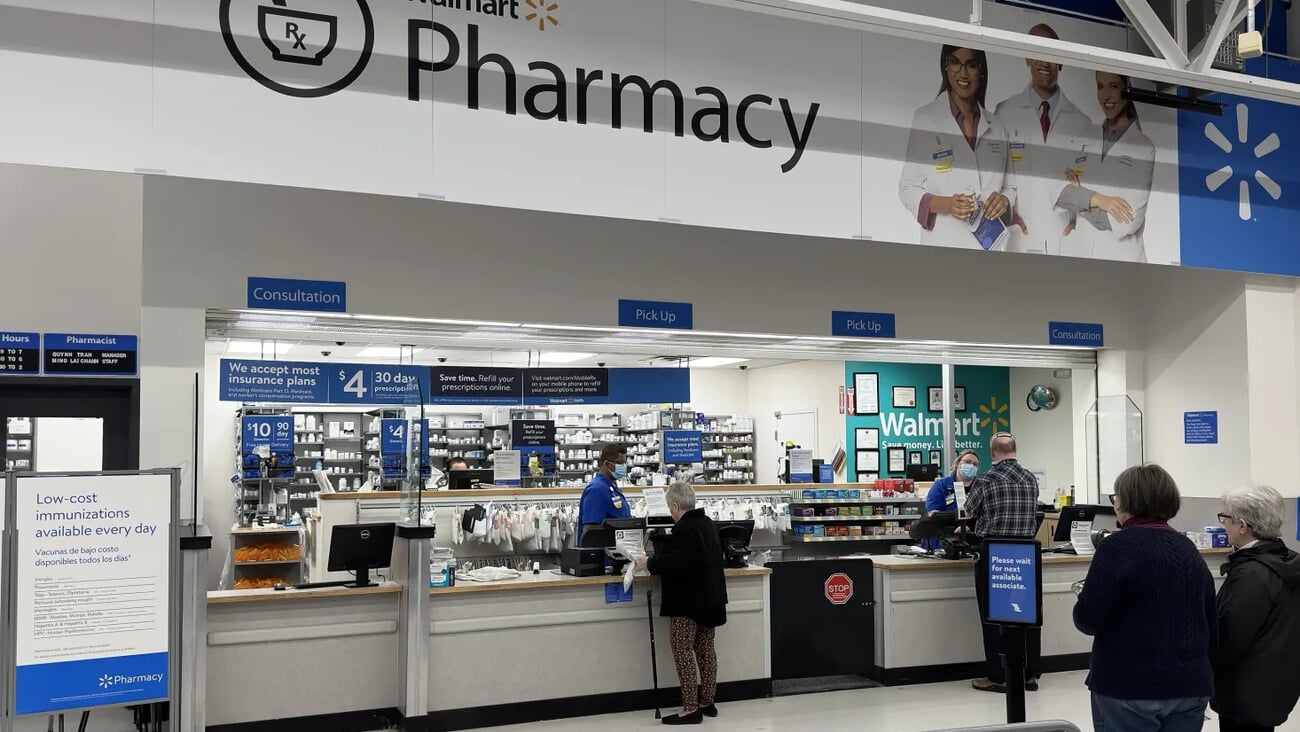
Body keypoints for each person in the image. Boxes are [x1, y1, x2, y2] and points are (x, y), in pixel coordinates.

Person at [1073, 464, 1215, 732]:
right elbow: (1208, 619)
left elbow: (1088, 619)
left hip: (1129, 687)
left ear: (1125, 502)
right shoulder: (1188, 548)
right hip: (1189, 686)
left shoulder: (1116, 547)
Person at [899, 45, 1017, 250]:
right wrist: (947, 204)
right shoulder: (926, 119)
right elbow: (907, 188)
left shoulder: (997, 126)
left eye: (971, 65)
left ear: (981, 71)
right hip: (944, 249)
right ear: (945, 66)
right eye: (955, 62)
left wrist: (1004, 201)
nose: (963, 73)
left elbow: (1011, 187)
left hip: (990, 251)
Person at [992, 23, 1094, 255]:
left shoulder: (1082, 123)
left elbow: (1089, 188)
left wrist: (1078, 221)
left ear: (1061, 61)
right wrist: (1007, 214)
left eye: (1051, 53)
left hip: (1065, 240)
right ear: (1027, 58)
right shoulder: (1005, 113)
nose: (1044, 62)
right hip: (1021, 239)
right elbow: (996, 180)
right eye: (1036, 52)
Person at [635, 482, 727, 726]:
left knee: (683, 651)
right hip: (711, 599)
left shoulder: (684, 529)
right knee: (706, 651)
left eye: (670, 508)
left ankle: (690, 708)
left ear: (675, 506)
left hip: (688, 603)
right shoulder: (707, 524)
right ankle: (707, 701)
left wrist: (651, 563)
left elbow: (678, 563)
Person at [1213, 485, 1300, 732]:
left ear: (1242, 526)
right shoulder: (1287, 563)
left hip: (1244, 695)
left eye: (1225, 518)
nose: (1223, 524)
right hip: (1275, 687)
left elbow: (1228, 640)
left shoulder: (1251, 575)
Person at [966, 433, 1041, 693]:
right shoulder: (1030, 478)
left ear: (993, 453)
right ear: (1014, 450)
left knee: (992, 618)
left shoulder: (985, 479)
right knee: (1027, 617)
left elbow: (969, 511)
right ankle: (1029, 675)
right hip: (1025, 556)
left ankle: (997, 676)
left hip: (995, 555)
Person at [1055, 71, 1155, 263]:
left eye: (1114, 86)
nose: (1106, 96)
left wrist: (1081, 204)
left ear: (1127, 89)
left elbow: (1128, 220)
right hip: (1082, 254)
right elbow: (1059, 193)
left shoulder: (1143, 148)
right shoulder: (1084, 137)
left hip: (1121, 261)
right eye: (1100, 86)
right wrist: (1100, 200)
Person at [922, 450, 979, 551]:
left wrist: (969, 527)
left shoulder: (980, 487)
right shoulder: (941, 485)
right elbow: (933, 514)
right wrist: (955, 527)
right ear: (957, 463)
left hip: (972, 543)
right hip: (942, 542)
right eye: (968, 462)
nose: (971, 466)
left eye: (975, 464)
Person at [575, 443, 631, 543]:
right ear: (606, 464)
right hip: (603, 556)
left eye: (625, 463)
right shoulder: (596, 490)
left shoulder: (611, 487)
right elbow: (590, 531)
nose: (623, 467)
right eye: (620, 462)